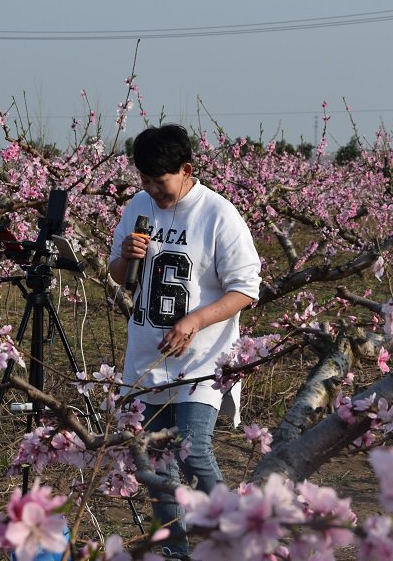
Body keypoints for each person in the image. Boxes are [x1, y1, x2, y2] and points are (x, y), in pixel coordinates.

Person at [109, 124, 261, 558]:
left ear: (187, 170)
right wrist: (126, 257)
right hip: (146, 360)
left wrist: (194, 320)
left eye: (161, 182)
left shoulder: (218, 214)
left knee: (193, 450)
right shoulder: (138, 206)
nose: (153, 191)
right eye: (145, 181)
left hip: (202, 363)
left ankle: (236, 534)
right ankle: (174, 552)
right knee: (158, 465)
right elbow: (119, 278)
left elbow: (247, 289)